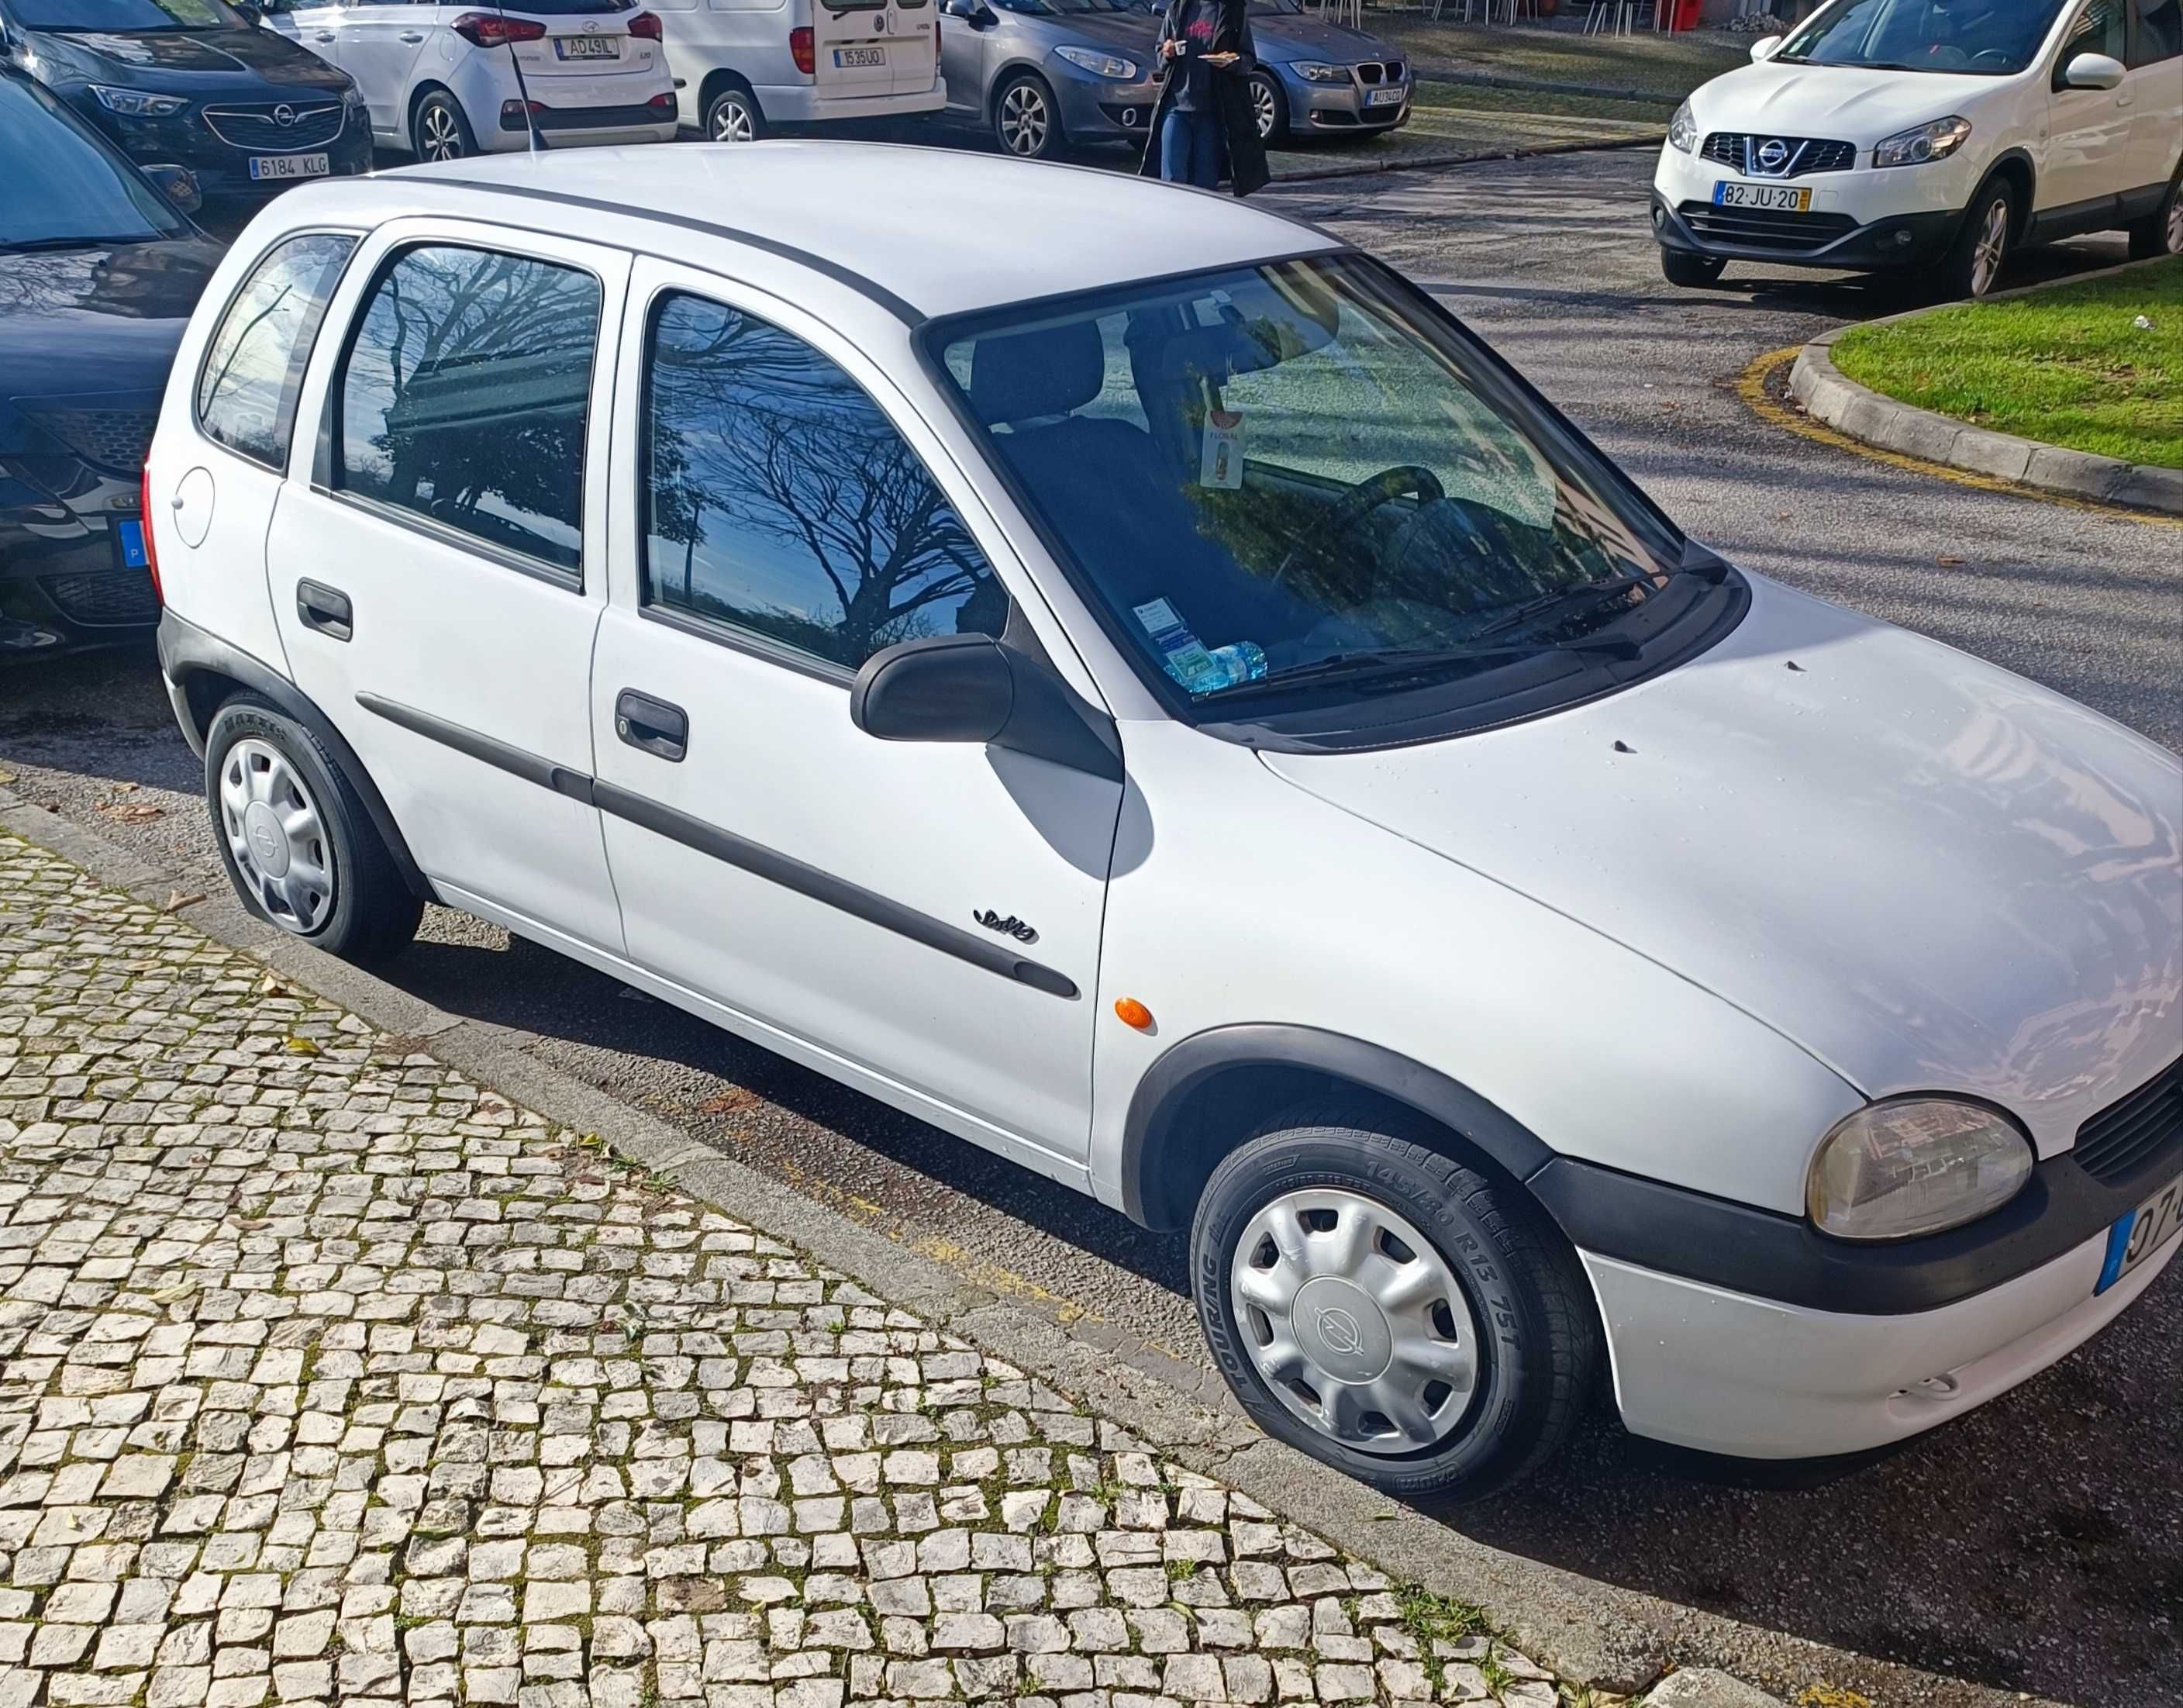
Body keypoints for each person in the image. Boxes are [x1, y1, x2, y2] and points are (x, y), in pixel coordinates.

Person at [1139, 0, 1269, 198]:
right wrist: (1167, 52)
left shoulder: (1232, 9)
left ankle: (1200, 226)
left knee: (1205, 186)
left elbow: (1249, 59)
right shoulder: (1179, 7)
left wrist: (1231, 62)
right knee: (1172, 181)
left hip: (1212, 112)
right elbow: (1161, 54)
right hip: (1176, 106)